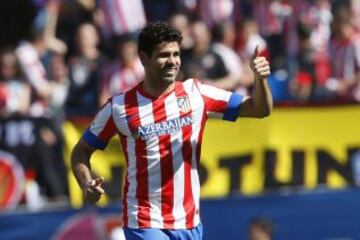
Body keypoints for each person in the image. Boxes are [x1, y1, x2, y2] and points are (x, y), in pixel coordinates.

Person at [71, 22, 272, 240]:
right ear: (144, 58)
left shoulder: (196, 94)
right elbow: (81, 151)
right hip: (144, 220)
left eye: (176, 54)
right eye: (164, 55)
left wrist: (260, 80)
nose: (172, 61)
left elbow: (259, 109)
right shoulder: (119, 107)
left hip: (189, 222)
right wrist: (86, 183)